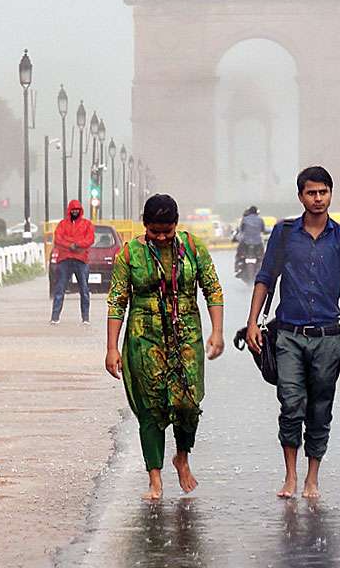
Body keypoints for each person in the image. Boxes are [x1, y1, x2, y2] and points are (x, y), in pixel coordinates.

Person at [246, 166, 340, 500]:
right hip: (289, 335)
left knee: (320, 409)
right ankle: (290, 476)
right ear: (300, 196)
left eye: (323, 192)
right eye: (311, 192)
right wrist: (253, 321)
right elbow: (265, 277)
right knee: (290, 403)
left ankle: (313, 478)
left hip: (328, 336)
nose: (317, 198)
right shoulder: (284, 234)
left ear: (331, 194)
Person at [106, 194, 224, 501]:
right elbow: (117, 301)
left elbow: (212, 289)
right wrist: (112, 348)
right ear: (144, 225)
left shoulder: (193, 248)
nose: (161, 238)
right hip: (144, 338)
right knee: (151, 408)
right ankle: (154, 478)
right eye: (154, 231)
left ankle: (182, 457)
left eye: (167, 231)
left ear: (176, 224)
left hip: (186, 335)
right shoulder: (129, 254)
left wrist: (217, 332)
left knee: (187, 404)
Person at [51, 199, 94, 325]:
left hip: (81, 260)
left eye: (77, 210)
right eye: (73, 210)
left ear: (80, 211)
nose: (75, 212)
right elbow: (57, 239)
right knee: (60, 289)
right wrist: (71, 245)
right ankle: (55, 317)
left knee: (84, 290)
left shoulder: (87, 224)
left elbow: (90, 239)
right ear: (69, 210)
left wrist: (76, 244)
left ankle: (85, 318)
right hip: (65, 259)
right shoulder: (62, 224)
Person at [235, 205, 267, 280]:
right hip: (258, 242)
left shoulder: (244, 219)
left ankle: (237, 267)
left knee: (239, 254)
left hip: (245, 242)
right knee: (262, 257)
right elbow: (263, 230)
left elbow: (241, 230)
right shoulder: (260, 220)